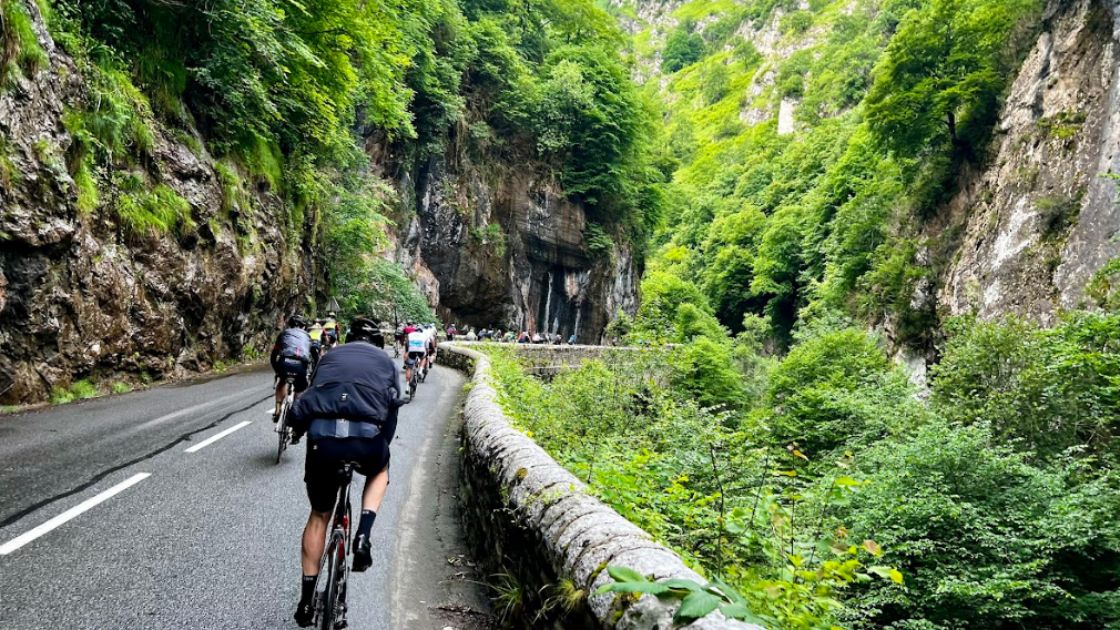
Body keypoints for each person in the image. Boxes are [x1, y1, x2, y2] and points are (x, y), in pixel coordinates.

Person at [288, 317, 401, 628]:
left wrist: (298, 431)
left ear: (348, 339)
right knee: (381, 469)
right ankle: (363, 533)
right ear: (378, 344)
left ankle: (306, 602)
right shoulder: (387, 363)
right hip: (367, 441)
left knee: (319, 515)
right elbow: (392, 409)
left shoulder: (329, 357)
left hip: (323, 443)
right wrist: (381, 445)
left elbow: (308, 399)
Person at [270, 315, 312, 422]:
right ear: (304, 326)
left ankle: (278, 409)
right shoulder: (307, 336)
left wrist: (277, 371)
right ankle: (295, 410)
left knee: (282, 381)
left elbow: (274, 355)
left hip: (285, 362)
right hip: (300, 364)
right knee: (300, 388)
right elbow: (315, 355)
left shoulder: (284, 334)